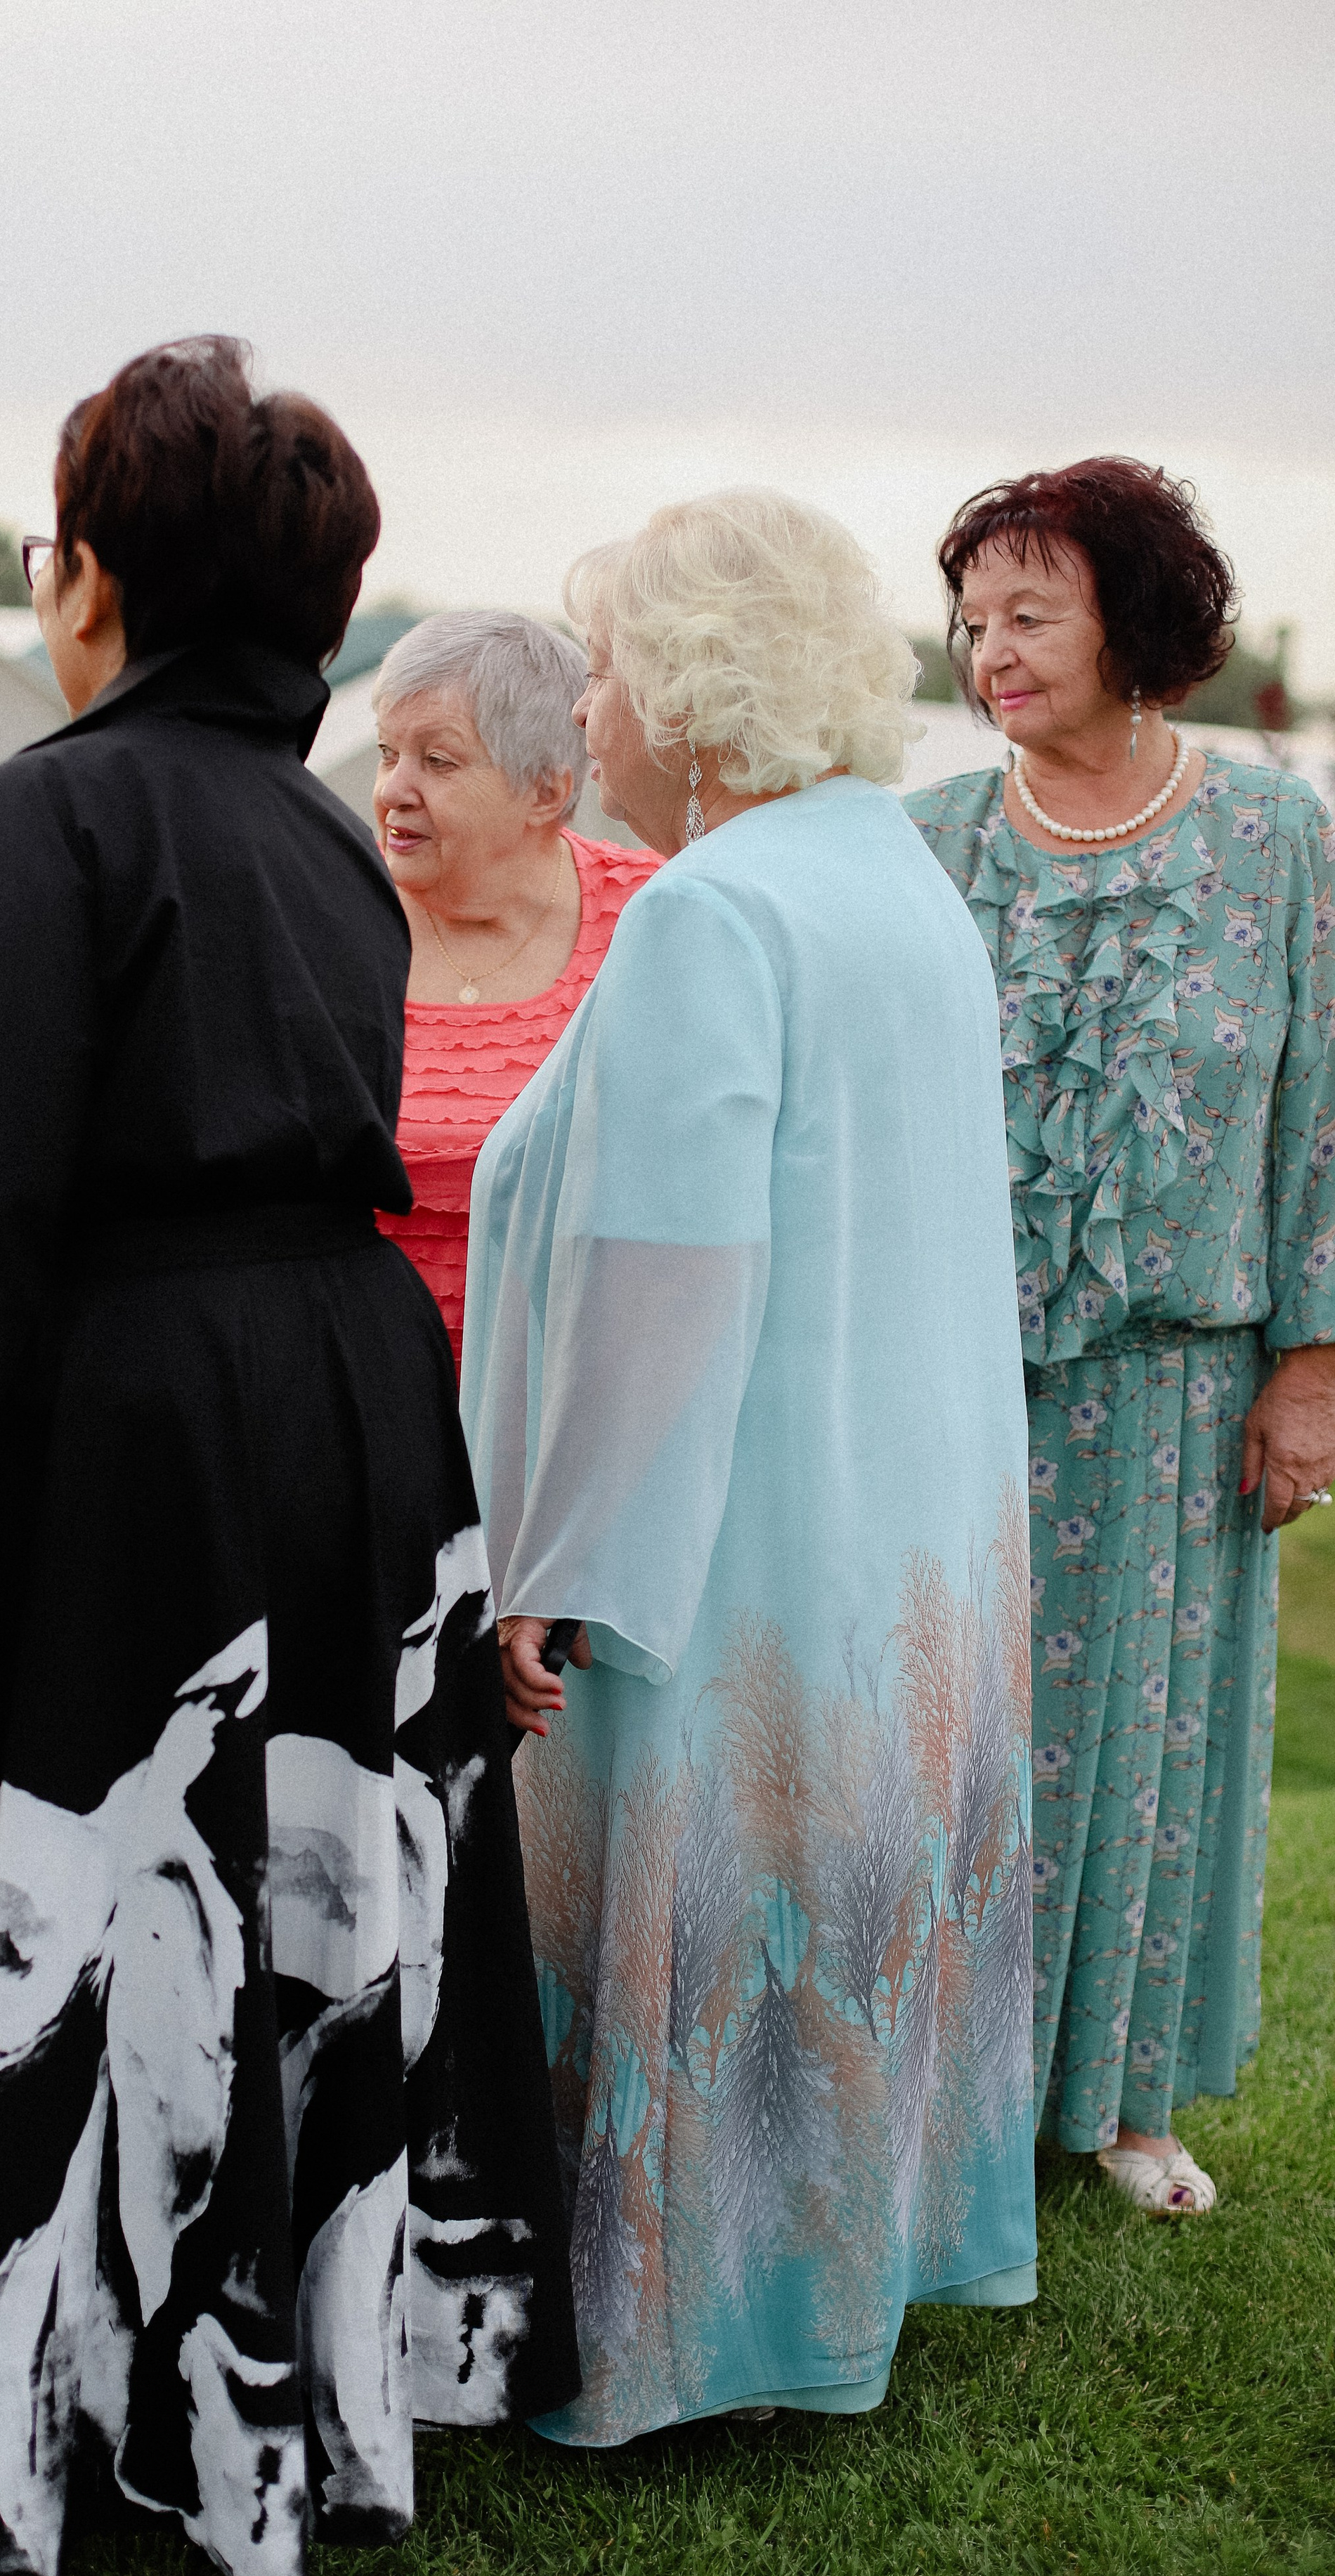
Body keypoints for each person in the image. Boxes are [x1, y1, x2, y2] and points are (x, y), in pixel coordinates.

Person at [0, 335, 576, 2576]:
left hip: (140, 1419)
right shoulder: (311, 831)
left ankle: (14, 2444)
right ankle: (254, 2394)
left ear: (97, 585)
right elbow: (195, 1067)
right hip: (348, 1399)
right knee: (265, 1923)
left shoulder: (42, 810)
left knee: (76, 1930)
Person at [460, 488, 1036, 2450]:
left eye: (610, 668)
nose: (592, 710)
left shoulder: (714, 909)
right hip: (895, 1513)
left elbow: (666, 1282)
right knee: (849, 1898)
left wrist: (561, 1570)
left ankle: (675, 2328)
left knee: (717, 1918)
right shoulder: (894, 875)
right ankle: (841, 2264)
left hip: (738, 1545)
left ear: (694, 695)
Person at [906, 457, 1335, 2218]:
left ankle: (1121, 2098)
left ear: (1130, 620)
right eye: (969, 619)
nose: (986, 650)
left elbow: (1320, 1106)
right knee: (947, 1732)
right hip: (943, 1379)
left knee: (1146, 1752)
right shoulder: (924, 840)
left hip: (1174, 1390)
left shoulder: (1272, 833)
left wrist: (1309, 1365)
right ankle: (929, 2087)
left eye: (1027, 613)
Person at [370, 611, 658, 1366]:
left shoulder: (651, 920)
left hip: (574, 1398)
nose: (394, 790)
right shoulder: (328, 917)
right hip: (367, 1400)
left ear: (544, 791)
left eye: (438, 761)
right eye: (386, 754)